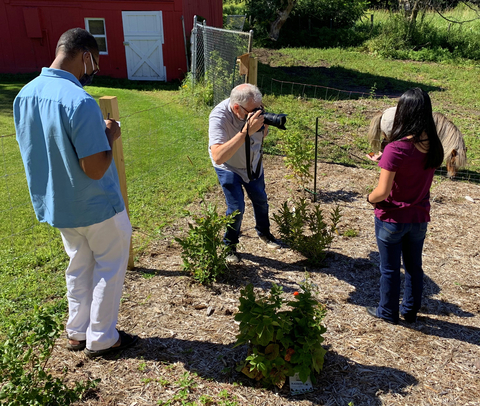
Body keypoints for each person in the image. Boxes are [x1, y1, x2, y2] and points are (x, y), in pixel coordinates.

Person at [13, 28, 138, 358]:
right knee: (109, 268)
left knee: (78, 266)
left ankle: (77, 332)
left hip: (58, 204)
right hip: (97, 205)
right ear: (85, 56)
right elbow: (95, 168)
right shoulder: (79, 100)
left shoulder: (23, 95)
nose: (92, 70)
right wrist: (109, 134)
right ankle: (102, 337)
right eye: (93, 63)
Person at [365, 88, 444, 324]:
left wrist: (369, 198)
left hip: (392, 218)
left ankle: (387, 312)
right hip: (419, 217)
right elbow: (414, 169)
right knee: (414, 268)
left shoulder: (395, 148)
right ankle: (410, 311)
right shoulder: (433, 146)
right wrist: (386, 161)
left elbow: (382, 192)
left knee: (389, 270)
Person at [209, 84, 280, 263]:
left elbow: (263, 136)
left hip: (252, 164)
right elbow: (218, 156)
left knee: (261, 200)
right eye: (252, 111)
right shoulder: (219, 116)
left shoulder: (254, 110)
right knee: (236, 208)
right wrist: (245, 131)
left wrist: (261, 125)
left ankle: (265, 233)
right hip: (228, 165)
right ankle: (229, 246)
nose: (257, 114)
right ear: (236, 108)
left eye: (260, 108)